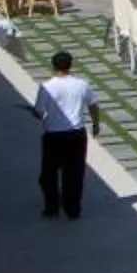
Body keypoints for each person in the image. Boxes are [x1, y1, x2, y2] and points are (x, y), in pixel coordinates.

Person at [33, 50, 99, 221]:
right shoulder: (82, 84)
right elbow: (93, 105)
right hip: (76, 135)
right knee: (74, 173)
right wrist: (96, 124)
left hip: (53, 135)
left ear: (53, 66)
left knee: (49, 174)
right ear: (71, 65)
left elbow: (39, 111)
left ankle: (52, 207)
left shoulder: (47, 87)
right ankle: (72, 209)